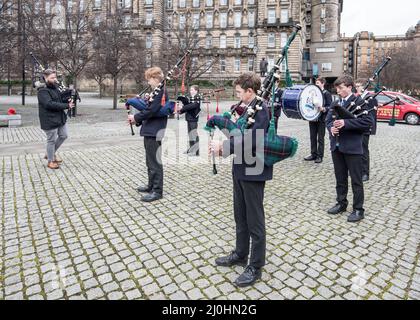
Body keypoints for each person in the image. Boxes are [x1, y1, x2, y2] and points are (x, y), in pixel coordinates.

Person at [210, 72, 273, 287]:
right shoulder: (246, 107)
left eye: (239, 92)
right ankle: (240, 253)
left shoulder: (262, 110)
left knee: (255, 220)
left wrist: (223, 148)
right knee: (240, 215)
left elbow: (251, 140)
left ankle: (255, 266)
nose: (236, 95)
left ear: (250, 91)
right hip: (240, 168)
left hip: (254, 171)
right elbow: (238, 133)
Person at [326, 75, 373, 223]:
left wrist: (345, 123)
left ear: (349, 87)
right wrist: (331, 129)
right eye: (337, 88)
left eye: (341, 88)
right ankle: (341, 203)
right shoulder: (336, 102)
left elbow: (367, 123)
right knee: (340, 178)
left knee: (356, 180)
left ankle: (358, 209)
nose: (338, 91)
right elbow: (328, 121)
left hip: (352, 147)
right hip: (337, 146)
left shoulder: (360, 102)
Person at [128, 67, 168, 202]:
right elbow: (149, 106)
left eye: (149, 79)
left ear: (156, 79)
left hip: (155, 130)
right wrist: (145, 99)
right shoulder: (156, 92)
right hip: (150, 129)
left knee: (154, 161)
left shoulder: (161, 92)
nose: (148, 83)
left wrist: (136, 118)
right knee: (149, 161)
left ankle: (157, 191)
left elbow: (151, 111)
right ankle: (151, 185)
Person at [37, 69, 74, 170]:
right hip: (49, 119)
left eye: (55, 77)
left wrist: (67, 99)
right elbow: (49, 104)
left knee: (64, 135)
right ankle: (50, 161)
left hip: (59, 117)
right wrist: (66, 105)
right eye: (52, 78)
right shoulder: (42, 90)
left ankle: (49, 154)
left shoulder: (54, 88)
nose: (55, 79)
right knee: (51, 140)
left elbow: (59, 99)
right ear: (45, 78)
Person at [304, 77, 332, 163]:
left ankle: (320, 156)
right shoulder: (313, 93)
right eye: (316, 83)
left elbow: (330, 107)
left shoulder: (326, 93)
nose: (316, 85)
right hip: (313, 119)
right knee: (312, 137)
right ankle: (313, 154)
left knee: (320, 138)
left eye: (318, 83)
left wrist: (323, 109)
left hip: (321, 119)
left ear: (323, 83)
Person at [355, 79, 378, 182]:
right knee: (356, 150)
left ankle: (365, 173)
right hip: (357, 127)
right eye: (356, 86)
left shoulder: (371, 98)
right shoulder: (358, 97)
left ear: (364, 87)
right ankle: (357, 170)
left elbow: (372, 115)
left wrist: (370, 128)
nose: (357, 88)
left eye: (359, 86)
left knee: (364, 151)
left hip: (365, 128)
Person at [179, 85, 201, 156]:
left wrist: (182, 108)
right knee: (190, 134)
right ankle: (191, 149)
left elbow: (193, 106)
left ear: (196, 91)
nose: (190, 91)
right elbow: (188, 106)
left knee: (194, 134)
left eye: (192, 90)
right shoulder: (191, 98)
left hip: (193, 118)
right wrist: (180, 111)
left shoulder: (197, 97)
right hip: (189, 118)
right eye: (190, 90)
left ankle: (196, 151)